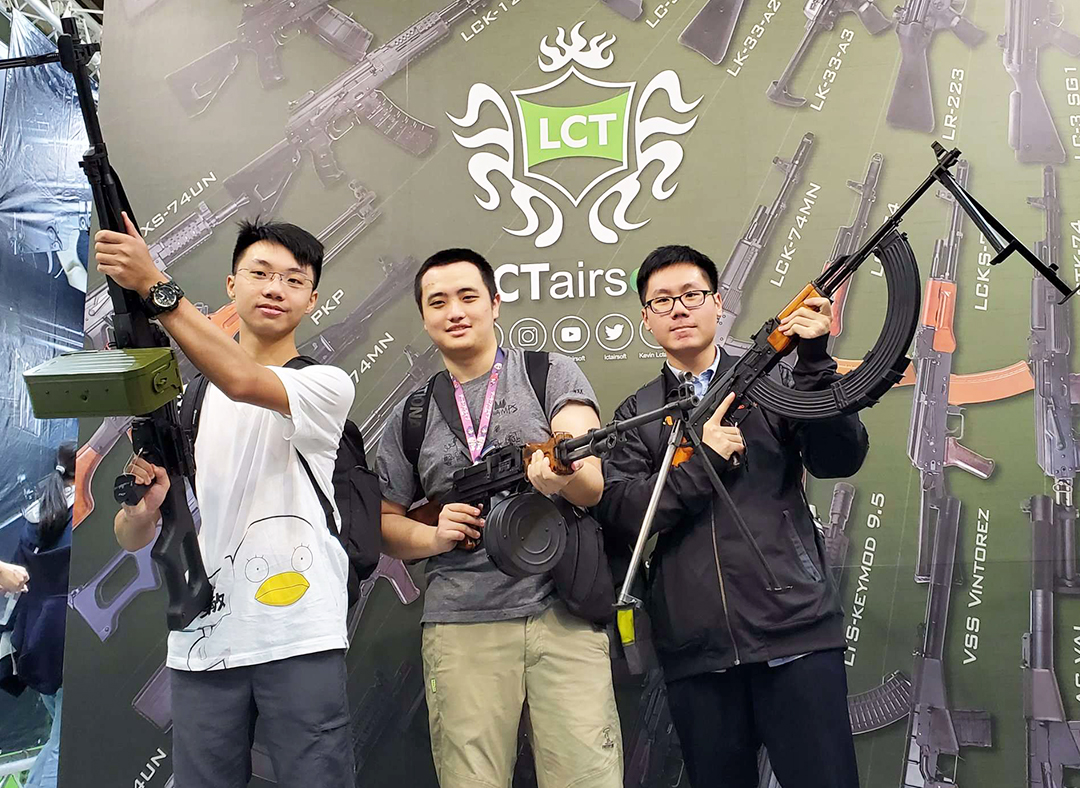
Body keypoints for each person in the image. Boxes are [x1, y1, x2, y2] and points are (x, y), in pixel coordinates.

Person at [95, 215, 355, 787]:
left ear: (312, 299)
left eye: (293, 279)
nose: (275, 288)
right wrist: (139, 511)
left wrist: (154, 285)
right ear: (232, 285)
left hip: (299, 633)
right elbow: (132, 535)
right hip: (202, 638)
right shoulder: (188, 403)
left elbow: (242, 379)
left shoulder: (324, 385)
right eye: (259, 273)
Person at [595, 245, 868, 788]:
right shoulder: (637, 415)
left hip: (796, 634)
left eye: (691, 295)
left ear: (718, 303)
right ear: (646, 319)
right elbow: (625, 515)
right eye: (662, 301)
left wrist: (815, 363)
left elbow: (839, 459)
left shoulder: (774, 382)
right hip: (698, 655)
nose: (678, 308)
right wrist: (702, 464)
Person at [376, 249, 623, 788]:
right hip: (462, 623)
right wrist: (435, 536)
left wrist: (560, 475)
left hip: (562, 611)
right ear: (424, 318)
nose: (455, 311)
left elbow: (591, 480)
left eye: (468, 297)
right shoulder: (412, 413)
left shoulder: (548, 372)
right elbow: (385, 523)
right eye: (438, 302)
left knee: (588, 777)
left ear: (494, 304)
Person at [1, 442, 75, 788]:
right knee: (65, 747)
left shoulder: (38, 514)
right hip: (70, 643)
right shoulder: (85, 519)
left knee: (58, 740)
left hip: (36, 643)